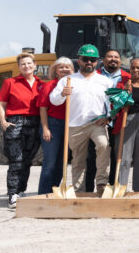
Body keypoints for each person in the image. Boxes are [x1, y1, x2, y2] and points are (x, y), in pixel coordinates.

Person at [49, 44, 114, 194]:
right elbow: (54, 100)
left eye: (92, 59)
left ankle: (102, 183)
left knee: (103, 145)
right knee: (78, 158)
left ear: (97, 61)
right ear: (79, 60)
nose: (89, 62)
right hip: (75, 124)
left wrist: (108, 117)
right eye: (86, 59)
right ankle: (79, 189)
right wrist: (62, 94)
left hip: (96, 123)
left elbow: (114, 102)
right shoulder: (68, 80)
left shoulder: (105, 81)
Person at [0, 53, 44, 207]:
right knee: (16, 160)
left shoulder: (41, 84)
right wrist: (3, 121)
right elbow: (1, 103)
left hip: (34, 122)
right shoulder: (10, 82)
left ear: (34, 65)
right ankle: (12, 194)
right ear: (19, 67)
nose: (26, 66)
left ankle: (21, 191)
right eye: (23, 64)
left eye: (29, 63)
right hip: (15, 122)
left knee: (28, 160)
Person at [114, 57, 139, 192]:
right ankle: (121, 188)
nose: (135, 70)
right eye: (133, 68)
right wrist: (124, 92)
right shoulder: (122, 85)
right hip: (127, 120)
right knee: (124, 156)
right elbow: (115, 104)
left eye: (138, 68)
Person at [93, 49, 130, 192]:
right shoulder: (94, 76)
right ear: (103, 60)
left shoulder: (128, 78)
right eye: (109, 56)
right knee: (93, 157)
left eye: (116, 57)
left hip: (118, 122)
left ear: (120, 61)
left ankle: (113, 187)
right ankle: (92, 188)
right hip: (97, 122)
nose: (113, 59)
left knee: (116, 156)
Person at [37, 57, 74, 195]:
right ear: (55, 70)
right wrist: (45, 128)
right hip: (53, 124)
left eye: (68, 67)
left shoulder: (75, 84)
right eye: (61, 67)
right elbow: (43, 109)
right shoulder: (49, 86)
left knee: (61, 163)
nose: (65, 70)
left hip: (70, 125)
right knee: (50, 163)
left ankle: (54, 191)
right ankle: (43, 193)